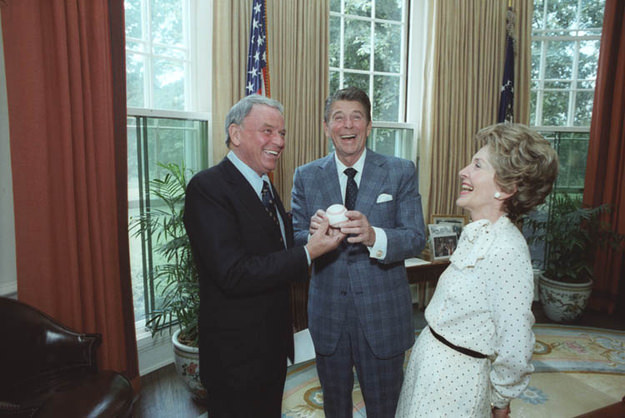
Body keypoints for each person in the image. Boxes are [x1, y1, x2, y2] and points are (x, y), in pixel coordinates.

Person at [183, 94, 344, 418]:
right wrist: (307, 252)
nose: (278, 141)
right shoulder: (208, 188)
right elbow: (233, 273)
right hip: (236, 356)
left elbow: (273, 253)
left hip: (271, 348)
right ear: (237, 133)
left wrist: (312, 240)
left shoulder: (265, 187)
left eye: (282, 133)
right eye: (267, 131)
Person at [395, 123, 559, 418]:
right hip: (431, 368)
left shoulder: (507, 250)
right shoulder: (478, 234)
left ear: (507, 188)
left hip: (454, 385)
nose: (463, 170)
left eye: (477, 165)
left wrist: (501, 399)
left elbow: (516, 344)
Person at [291, 87, 426, 417]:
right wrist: (312, 239)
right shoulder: (306, 176)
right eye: (339, 117)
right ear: (326, 127)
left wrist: (373, 236)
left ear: (368, 125)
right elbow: (293, 239)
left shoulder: (399, 171)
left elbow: (414, 237)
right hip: (328, 317)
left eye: (356, 117)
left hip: (382, 317)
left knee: (385, 408)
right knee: (335, 408)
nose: (347, 125)